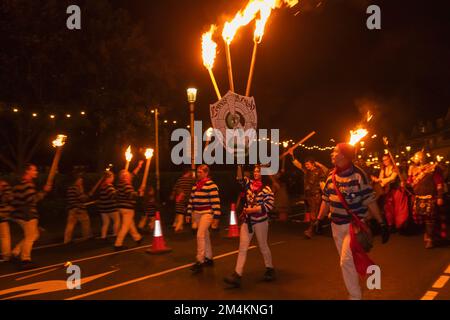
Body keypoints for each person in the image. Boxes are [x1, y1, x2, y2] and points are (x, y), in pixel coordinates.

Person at [315, 143, 389, 300]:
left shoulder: (359, 176)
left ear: (343, 155)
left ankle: (355, 296)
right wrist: (318, 220)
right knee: (349, 262)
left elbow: (370, 200)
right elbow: (326, 200)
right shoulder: (331, 176)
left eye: (335, 151)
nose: (331, 154)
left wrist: (382, 223)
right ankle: (361, 285)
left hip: (354, 226)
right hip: (336, 226)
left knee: (345, 260)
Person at [224, 165, 275, 288]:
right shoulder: (249, 184)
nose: (256, 173)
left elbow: (269, 206)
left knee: (263, 246)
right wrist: (239, 164)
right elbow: (240, 178)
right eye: (255, 171)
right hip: (248, 221)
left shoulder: (267, 189)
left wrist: (253, 210)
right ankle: (237, 274)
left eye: (259, 172)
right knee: (242, 247)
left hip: (261, 221)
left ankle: (270, 268)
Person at [11, 164, 51, 269]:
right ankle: (25, 260)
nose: (36, 172)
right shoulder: (28, 185)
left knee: (34, 235)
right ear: (27, 171)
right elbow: (32, 200)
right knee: (30, 237)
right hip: (27, 215)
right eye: (34, 170)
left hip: (19, 215)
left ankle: (15, 252)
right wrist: (44, 191)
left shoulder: (18, 185)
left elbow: (15, 201)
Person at [186, 165, 221, 274]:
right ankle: (209, 258)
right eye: (197, 172)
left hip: (207, 213)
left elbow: (216, 202)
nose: (198, 173)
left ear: (206, 173)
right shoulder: (195, 185)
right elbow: (191, 200)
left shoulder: (212, 185)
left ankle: (199, 261)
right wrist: (188, 213)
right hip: (197, 213)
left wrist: (216, 217)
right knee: (205, 236)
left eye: (200, 172)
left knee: (200, 235)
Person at [407, 151, 445, 248]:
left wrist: (440, 196)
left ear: (421, 158)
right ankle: (429, 233)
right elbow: (410, 183)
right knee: (420, 219)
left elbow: (439, 184)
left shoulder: (433, 168)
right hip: (418, 198)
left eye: (416, 157)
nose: (414, 159)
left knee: (430, 219)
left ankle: (430, 239)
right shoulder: (413, 169)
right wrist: (404, 184)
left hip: (430, 198)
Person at [289, 152, 328, 238]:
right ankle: (318, 229)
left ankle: (310, 231)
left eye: (308, 164)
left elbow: (326, 171)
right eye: (305, 164)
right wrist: (292, 155)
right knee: (314, 213)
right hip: (308, 196)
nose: (306, 166)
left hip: (316, 195)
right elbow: (297, 164)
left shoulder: (319, 171)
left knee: (313, 214)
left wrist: (319, 164)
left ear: (313, 164)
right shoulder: (306, 171)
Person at [372, 155, 409, 232]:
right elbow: (381, 178)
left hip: (397, 190)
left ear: (390, 159)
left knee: (398, 208)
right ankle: (390, 224)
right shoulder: (383, 169)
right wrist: (376, 180)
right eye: (383, 160)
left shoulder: (395, 168)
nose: (385, 161)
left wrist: (381, 180)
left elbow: (392, 178)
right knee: (388, 208)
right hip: (388, 191)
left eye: (386, 159)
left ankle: (401, 225)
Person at [114, 166, 143, 250]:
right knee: (125, 226)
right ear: (125, 177)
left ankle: (138, 238)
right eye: (127, 175)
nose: (129, 175)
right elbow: (131, 195)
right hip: (127, 208)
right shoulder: (127, 184)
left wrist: (139, 166)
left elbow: (133, 175)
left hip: (121, 208)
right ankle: (118, 244)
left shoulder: (119, 184)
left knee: (130, 225)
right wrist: (139, 192)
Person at [64, 173, 93, 244]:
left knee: (70, 225)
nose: (81, 180)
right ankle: (87, 236)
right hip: (79, 209)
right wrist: (88, 194)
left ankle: (66, 240)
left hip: (72, 208)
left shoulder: (70, 188)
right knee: (86, 222)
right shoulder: (77, 188)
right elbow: (82, 198)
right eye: (80, 179)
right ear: (76, 180)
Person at [97, 171, 120, 240]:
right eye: (112, 177)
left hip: (103, 209)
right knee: (117, 221)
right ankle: (115, 234)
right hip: (111, 208)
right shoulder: (109, 186)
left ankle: (103, 236)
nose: (113, 178)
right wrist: (118, 191)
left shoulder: (102, 186)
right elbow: (112, 196)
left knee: (105, 223)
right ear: (108, 178)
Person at [170, 168, 194, 232]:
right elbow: (193, 188)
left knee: (179, 212)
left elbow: (175, 188)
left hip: (179, 199)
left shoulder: (180, 180)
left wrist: (173, 195)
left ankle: (177, 225)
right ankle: (178, 227)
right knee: (182, 213)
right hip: (186, 199)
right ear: (188, 172)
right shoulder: (190, 180)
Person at [0, 180, 13, 262]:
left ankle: (6, 255)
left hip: (2, 214)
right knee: (4, 236)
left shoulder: (4, 184)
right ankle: (6, 255)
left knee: (4, 235)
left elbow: (10, 197)